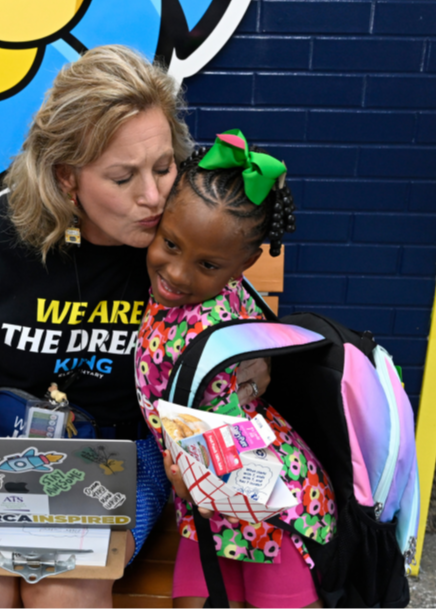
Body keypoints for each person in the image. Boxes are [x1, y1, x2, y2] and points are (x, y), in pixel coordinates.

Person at [0, 47, 271, 609]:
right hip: (1, 448)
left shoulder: (180, 249)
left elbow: (242, 333)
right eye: (123, 178)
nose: (152, 198)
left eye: (163, 167)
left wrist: (251, 368)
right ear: (66, 177)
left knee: (63, 584)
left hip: (120, 454)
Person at [135, 131, 337, 609]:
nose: (178, 274)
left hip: (265, 499)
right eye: (170, 244)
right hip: (208, 502)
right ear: (160, 220)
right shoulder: (215, 287)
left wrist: (194, 468)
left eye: (206, 263)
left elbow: (230, 421)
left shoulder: (212, 322)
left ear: (242, 263)